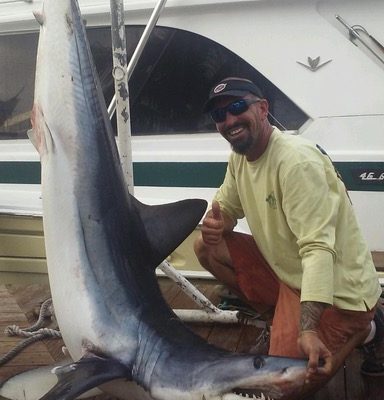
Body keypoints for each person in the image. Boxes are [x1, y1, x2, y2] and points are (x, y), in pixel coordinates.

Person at [194, 77, 384, 390]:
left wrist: (307, 331)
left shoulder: (296, 161)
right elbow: (226, 208)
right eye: (219, 115)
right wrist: (217, 226)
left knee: (282, 388)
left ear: (263, 109)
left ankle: (368, 328)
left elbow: (318, 250)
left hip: (339, 293)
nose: (229, 120)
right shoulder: (239, 158)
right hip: (289, 276)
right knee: (205, 247)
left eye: (237, 107)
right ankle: (279, 319)